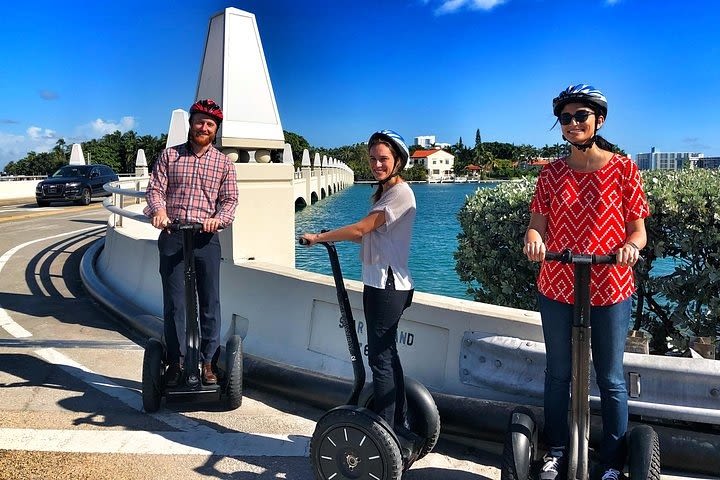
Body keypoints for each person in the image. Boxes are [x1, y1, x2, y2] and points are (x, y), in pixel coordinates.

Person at [523, 84, 649, 480]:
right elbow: (536, 226)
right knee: (558, 373)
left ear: (599, 121)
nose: (573, 123)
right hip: (558, 282)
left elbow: (638, 231)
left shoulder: (624, 168)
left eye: (581, 116)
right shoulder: (552, 174)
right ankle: (557, 451)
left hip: (610, 283)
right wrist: (533, 239)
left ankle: (611, 459)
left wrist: (630, 246)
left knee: (610, 376)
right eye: (566, 118)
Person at [300, 130, 416, 433]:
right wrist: (336, 237)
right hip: (383, 282)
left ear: (398, 160)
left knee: (380, 358)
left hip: (387, 285)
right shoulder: (386, 192)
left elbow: (360, 230)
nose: (377, 164)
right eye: (373, 159)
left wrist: (319, 236)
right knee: (386, 353)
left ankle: (386, 428)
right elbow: (373, 237)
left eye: (384, 159)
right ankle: (397, 421)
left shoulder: (400, 193)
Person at [145, 98, 238, 387]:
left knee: (209, 302)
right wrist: (159, 212)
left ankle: (209, 362)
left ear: (216, 130)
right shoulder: (169, 156)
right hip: (173, 237)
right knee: (174, 303)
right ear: (191, 123)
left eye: (210, 124)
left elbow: (230, 201)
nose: (204, 127)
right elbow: (155, 190)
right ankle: (177, 361)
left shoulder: (223, 164)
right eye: (199, 121)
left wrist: (218, 219)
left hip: (205, 239)